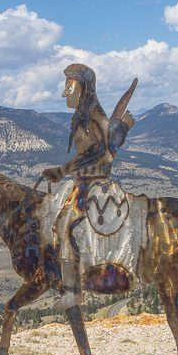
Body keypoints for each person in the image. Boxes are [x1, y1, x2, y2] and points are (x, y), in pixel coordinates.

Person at [42, 63, 135, 291]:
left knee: (64, 225)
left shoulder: (93, 114)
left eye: (69, 87)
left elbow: (97, 153)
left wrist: (62, 171)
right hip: (82, 181)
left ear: (82, 87)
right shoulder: (85, 113)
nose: (65, 92)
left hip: (93, 183)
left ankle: (72, 287)